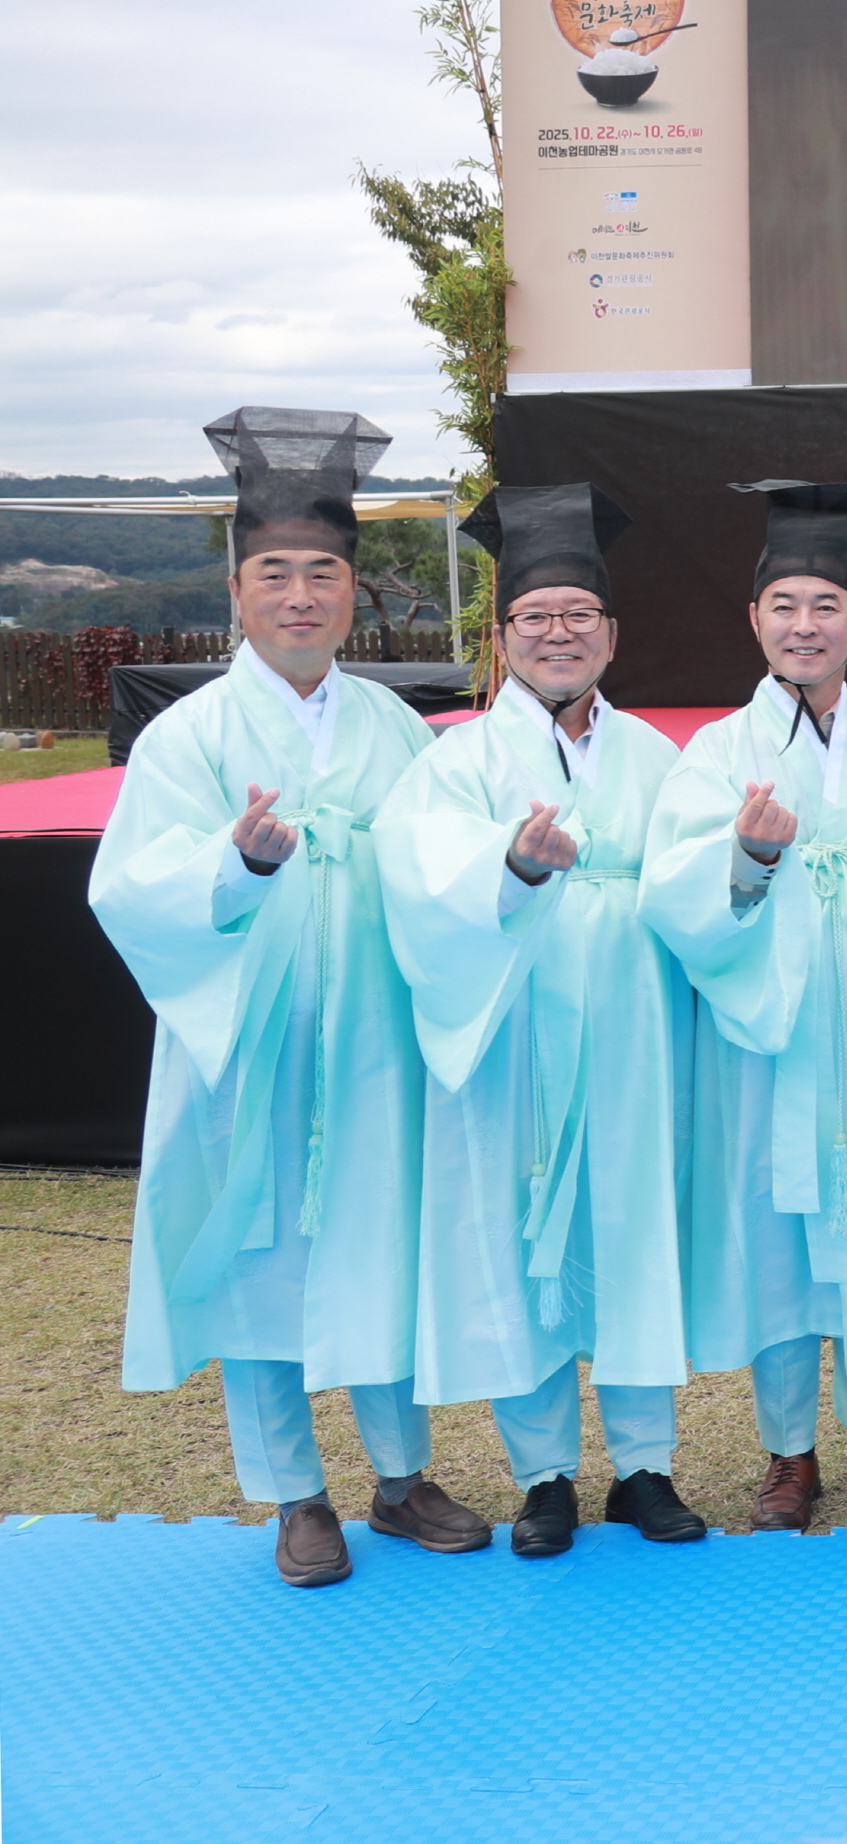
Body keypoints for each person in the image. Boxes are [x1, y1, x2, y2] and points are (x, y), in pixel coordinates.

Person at [92, 406, 487, 1586]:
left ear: (356, 593)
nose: (301, 597)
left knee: (380, 1242)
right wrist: (238, 866)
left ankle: (401, 1478)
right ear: (237, 590)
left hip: (372, 1042)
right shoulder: (188, 738)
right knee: (257, 1254)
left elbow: (440, 869)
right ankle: (294, 1495)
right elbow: (132, 887)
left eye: (324, 574)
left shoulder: (397, 730)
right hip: (248, 1045)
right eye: (276, 575)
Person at [376, 483, 707, 1557]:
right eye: (535, 616)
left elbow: (696, 885)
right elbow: (418, 882)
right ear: (502, 635)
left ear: (611, 632)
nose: (558, 634)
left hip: (633, 1039)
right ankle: (544, 1477)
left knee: (634, 1231)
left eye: (579, 615)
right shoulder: (455, 761)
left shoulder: (658, 757)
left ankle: (646, 1467)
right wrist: (511, 867)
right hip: (510, 1037)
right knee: (520, 1240)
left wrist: (747, 862)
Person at [642, 481, 847, 1531]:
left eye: (825, 605)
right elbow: (671, 891)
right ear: (754, 619)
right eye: (784, 605)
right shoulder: (714, 750)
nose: (804, 625)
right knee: (775, 1225)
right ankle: (788, 1453)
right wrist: (747, 857)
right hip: (769, 1031)